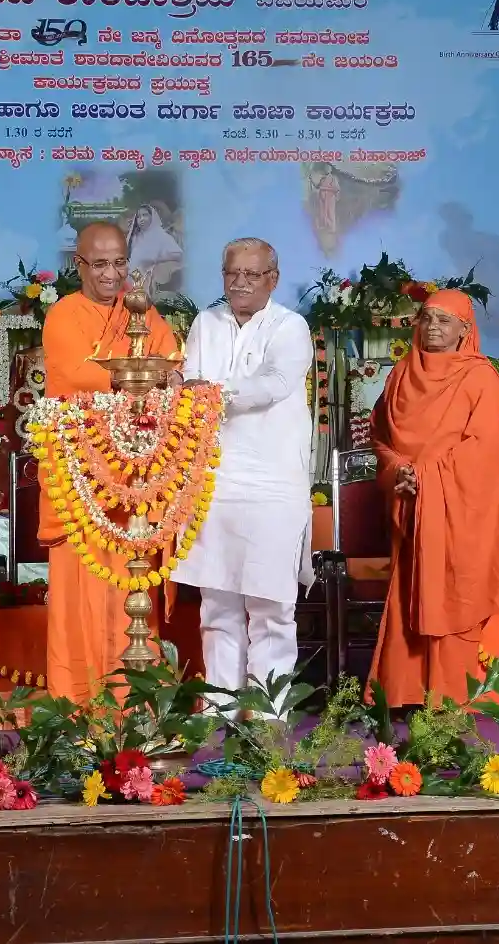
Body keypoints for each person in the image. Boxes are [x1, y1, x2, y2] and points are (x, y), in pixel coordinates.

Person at [368, 290, 499, 706]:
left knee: (460, 587)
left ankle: (457, 694)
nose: (434, 328)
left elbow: (485, 447)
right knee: (411, 589)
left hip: (462, 508)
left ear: (465, 330)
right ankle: (409, 690)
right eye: (427, 319)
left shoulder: (480, 377)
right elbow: (381, 439)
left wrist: (425, 476)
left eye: (445, 321)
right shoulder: (400, 374)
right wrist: (398, 473)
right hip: (411, 506)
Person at [170, 238, 315, 712]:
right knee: (218, 604)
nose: (241, 283)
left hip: (273, 483)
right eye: (233, 273)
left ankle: (270, 715)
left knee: (272, 606)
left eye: (252, 275)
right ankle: (221, 713)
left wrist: (209, 392)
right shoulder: (205, 323)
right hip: (214, 481)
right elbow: (185, 380)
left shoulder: (290, 327)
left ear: (273, 279)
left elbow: (274, 385)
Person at [39, 221, 180, 703]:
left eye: (120, 262)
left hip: (136, 479)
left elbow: (170, 362)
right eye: (99, 264)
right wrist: (143, 380)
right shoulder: (62, 317)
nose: (111, 274)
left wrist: (171, 379)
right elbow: (88, 378)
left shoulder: (141, 311)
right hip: (82, 482)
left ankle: (136, 705)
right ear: (78, 265)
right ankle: (79, 708)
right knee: (80, 598)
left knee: (134, 592)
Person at [123, 203, 183, 299]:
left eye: (145, 215)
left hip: (152, 281)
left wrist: (154, 262)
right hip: (131, 281)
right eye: (139, 217)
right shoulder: (133, 238)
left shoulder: (162, 236)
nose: (141, 219)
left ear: (152, 216)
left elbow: (178, 256)